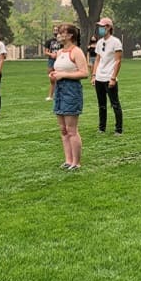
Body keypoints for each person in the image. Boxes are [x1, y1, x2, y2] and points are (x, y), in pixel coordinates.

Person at [49, 23, 89, 171]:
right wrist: (53, 75)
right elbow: (57, 69)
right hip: (59, 90)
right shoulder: (59, 53)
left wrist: (64, 75)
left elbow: (84, 73)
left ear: (70, 35)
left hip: (71, 91)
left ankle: (76, 162)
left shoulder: (76, 52)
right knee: (63, 129)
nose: (59, 35)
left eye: (62, 32)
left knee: (72, 129)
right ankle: (68, 160)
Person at [90, 16, 123, 135]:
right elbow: (97, 59)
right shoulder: (99, 42)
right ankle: (101, 127)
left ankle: (118, 129)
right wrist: (94, 75)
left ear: (108, 27)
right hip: (99, 77)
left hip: (109, 77)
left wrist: (113, 77)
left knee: (115, 104)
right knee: (101, 104)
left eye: (102, 27)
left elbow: (118, 61)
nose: (100, 29)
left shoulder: (116, 42)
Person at [43, 25, 61, 101]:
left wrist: (58, 55)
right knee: (52, 78)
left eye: (57, 30)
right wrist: (51, 54)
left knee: (60, 78)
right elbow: (45, 52)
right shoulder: (49, 41)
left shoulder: (62, 41)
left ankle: (59, 95)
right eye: (54, 30)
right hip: (51, 61)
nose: (55, 31)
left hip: (60, 60)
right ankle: (50, 96)